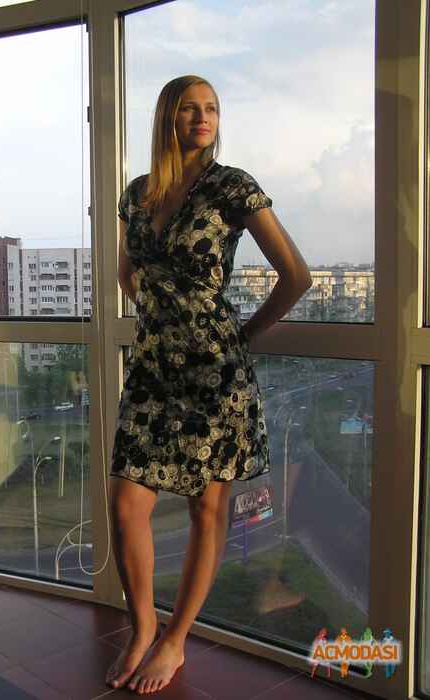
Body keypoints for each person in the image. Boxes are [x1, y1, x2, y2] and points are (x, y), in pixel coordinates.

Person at [107, 75, 312, 695]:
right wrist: (161, 313)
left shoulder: (231, 186)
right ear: (167, 118)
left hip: (213, 371)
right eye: (190, 109)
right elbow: (126, 273)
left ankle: (174, 641)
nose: (203, 118)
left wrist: (239, 335)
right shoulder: (138, 193)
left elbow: (296, 276)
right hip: (153, 367)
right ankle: (143, 625)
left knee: (207, 507)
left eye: (212, 109)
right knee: (126, 501)